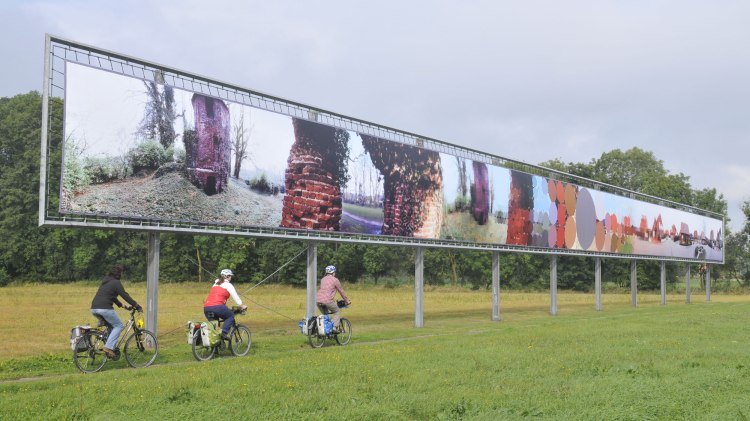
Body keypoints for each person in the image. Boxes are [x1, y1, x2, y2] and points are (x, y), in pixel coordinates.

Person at [90, 264, 142, 358]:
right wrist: (136, 305)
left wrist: (123, 306)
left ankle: (108, 346)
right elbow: (125, 295)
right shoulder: (116, 282)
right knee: (119, 325)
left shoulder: (106, 281)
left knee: (111, 326)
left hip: (94, 308)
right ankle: (108, 347)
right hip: (104, 309)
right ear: (119, 274)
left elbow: (111, 297)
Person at [203, 269, 247, 340]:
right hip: (217, 307)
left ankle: (215, 348)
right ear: (228, 276)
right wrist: (242, 305)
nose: (231, 278)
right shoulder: (228, 285)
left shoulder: (215, 284)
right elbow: (235, 296)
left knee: (215, 327)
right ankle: (224, 333)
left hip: (207, 308)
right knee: (230, 316)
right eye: (230, 276)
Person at [316, 265, 351, 332]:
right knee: (337, 311)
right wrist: (347, 301)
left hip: (318, 301)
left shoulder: (322, 279)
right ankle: (334, 328)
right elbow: (341, 291)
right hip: (327, 301)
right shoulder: (335, 280)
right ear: (333, 272)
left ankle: (325, 330)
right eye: (335, 272)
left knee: (326, 315)